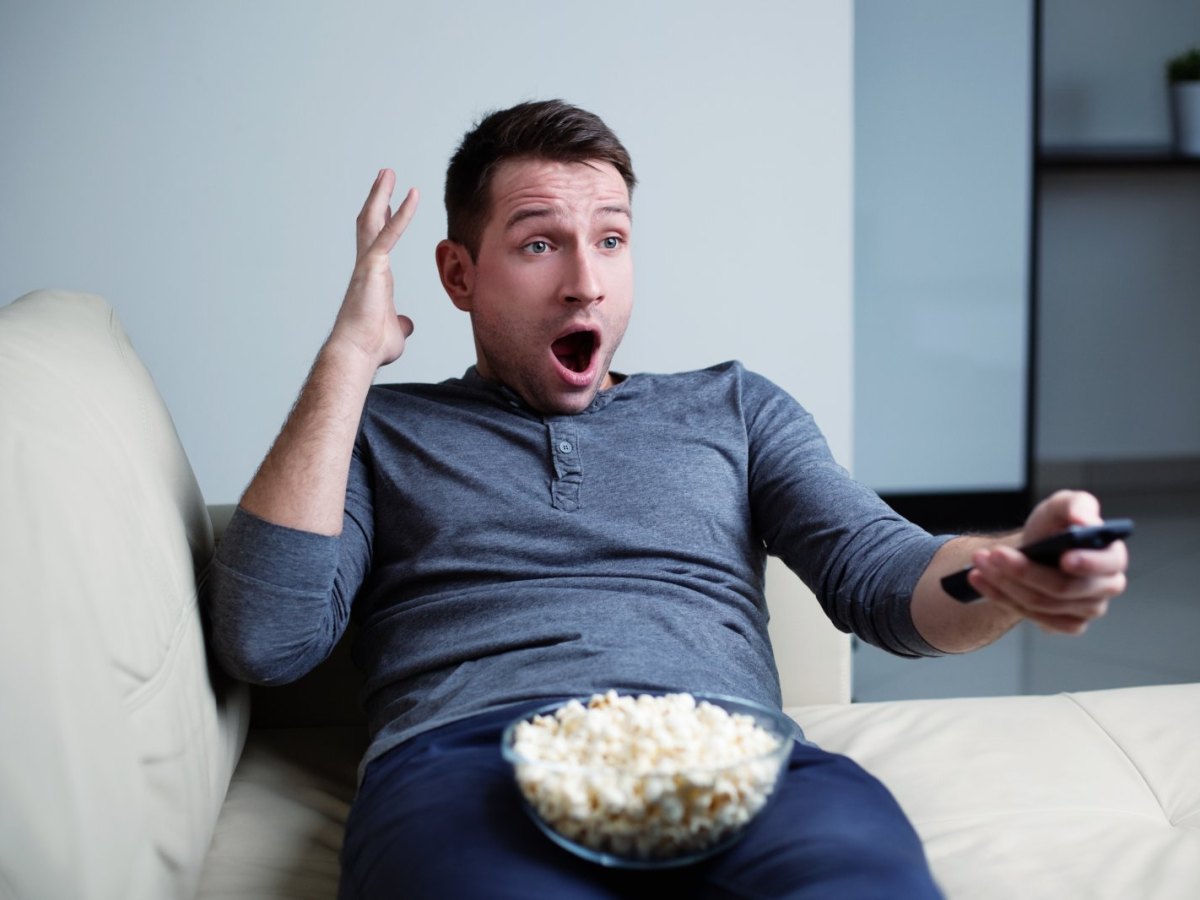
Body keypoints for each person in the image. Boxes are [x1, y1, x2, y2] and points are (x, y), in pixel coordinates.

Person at [207, 100, 1128, 899]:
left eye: (610, 239)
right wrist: (347, 358)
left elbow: (884, 578)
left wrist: (1006, 575)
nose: (587, 280)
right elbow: (266, 639)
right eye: (539, 244)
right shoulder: (380, 429)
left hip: (734, 755)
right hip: (468, 767)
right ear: (458, 275)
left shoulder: (733, 408)